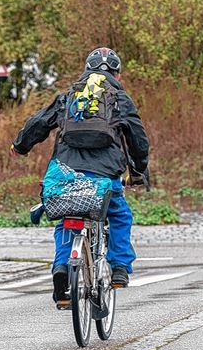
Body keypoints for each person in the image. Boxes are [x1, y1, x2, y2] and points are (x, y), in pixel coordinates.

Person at [10, 47, 150, 308]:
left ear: (86, 71)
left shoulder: (69, 97)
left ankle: (62, 267)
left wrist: (20, 146)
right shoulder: (120, 100)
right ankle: (119, 266)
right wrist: (139, 171)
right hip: (105, 174)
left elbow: (39, 122)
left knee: (66, 220)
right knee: (119, 215)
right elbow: (138, 139)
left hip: (66, 173)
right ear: (118, 76)